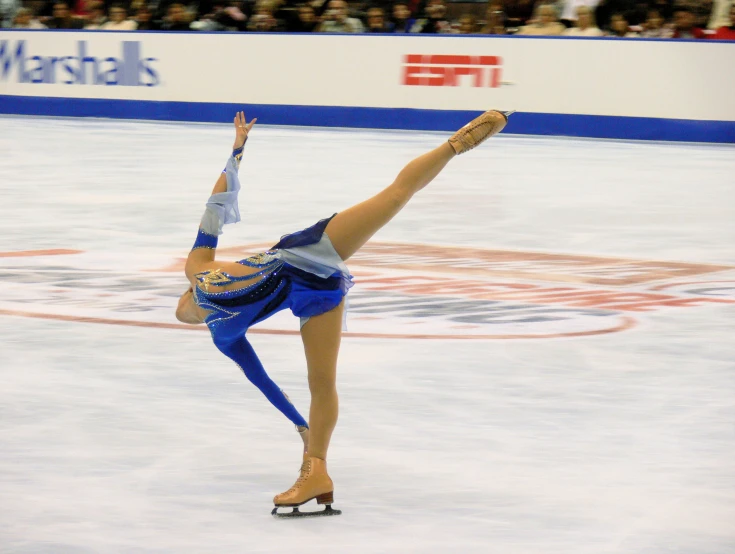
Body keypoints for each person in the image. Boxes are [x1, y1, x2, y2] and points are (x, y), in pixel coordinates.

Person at [176, 109, 511, 516]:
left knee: (393, 196)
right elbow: (262, 381)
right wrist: (301, 424)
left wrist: (237, 150)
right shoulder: (221, 333)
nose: (180, 312)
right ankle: (315, 471)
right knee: (321, 381)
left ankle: (458, 142)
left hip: (304, 252)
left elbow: (217, 204)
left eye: (181, 307)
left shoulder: (198, 270)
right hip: (314, 292)